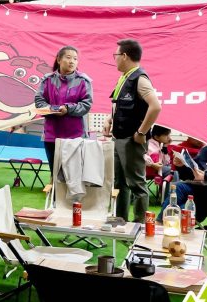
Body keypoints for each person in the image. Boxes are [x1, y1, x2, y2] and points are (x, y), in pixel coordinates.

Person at [103, 38, 162, 222]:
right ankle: (120, 221)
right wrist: (109, 119)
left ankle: (139, 225)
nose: (114, 59)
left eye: (116, 55)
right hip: (119, 137)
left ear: (124, 56)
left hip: (131, 139)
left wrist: (142, 132)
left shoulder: (140, 79)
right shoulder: (125, 77)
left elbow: (155, 107)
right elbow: (120, 105)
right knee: (119, 183)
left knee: (136, 184)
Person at [34, 45, 93, 175]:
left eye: (75, 59)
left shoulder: (83, 81)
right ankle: (55, 189)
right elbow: (39, 101)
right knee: (55, 174)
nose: (72, 61)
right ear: (59, 59)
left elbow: (86, 105)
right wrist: (52, 109)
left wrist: (68, 109)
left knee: (75, 176)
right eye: (68, 57)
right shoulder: (47, 80)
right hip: (52, 136)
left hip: (76, 136)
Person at [146, 125, 173, 200]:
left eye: (169, 134)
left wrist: (165, 147)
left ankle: (168, 195)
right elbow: (142, 157)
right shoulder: (148, 145)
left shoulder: (158, 145)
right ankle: (168, 198)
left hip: (157, 169)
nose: (168, 137)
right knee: (172, 171)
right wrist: (152, 164)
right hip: (148, 170)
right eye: (166, 135)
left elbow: (166, 162)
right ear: (157, 137)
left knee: (172, 168)